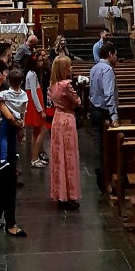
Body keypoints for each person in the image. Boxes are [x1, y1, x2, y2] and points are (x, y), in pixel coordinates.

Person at [0, 59, 26, 237]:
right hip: (1, 137)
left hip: (0, 136)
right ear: (1, 74)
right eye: (5, 71)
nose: (7, 74)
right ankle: (11, 223)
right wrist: (19, 123)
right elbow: (8, 116)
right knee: (9, 181)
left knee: (4, 181)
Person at [49, 55, 81, 210]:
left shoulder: (53, 84)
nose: (71, 68)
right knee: (69, 156)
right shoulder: (66, 85)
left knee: (58, 156)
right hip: (67, 119)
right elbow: (77, 101)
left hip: (56, 119)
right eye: (69, 66)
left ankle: (59, 192)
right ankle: (70, 195)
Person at [89, 42, 118, 192]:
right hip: (103, 111)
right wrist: (114, 115)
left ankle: (102, 174)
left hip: (94, 108)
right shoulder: (107, 70)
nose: (117, 57)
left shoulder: (94, 68)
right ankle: (105, 177)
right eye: (116, 54)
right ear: (110, 54)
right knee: (107, 147)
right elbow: (109, 93)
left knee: (100, 145)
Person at [0, 66, 28, 169]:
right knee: (14, 137)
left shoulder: (7, 94)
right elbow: (24, 108)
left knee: (3, 137)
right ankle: (15, 152)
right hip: (18, 118)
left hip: (7, 119)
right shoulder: (24, 95)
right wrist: (22, 118)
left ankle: (3, 159)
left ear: (9, 81)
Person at [25, 53, 47, 168]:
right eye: (39, 61)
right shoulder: (32, 75)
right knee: (42, 130)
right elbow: (33, 93)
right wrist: (40, 110)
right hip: (35, 106)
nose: (41, 63)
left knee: (36, 132)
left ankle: (35, 156)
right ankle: (34, 158)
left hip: (36, 105)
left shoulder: (33, 74)